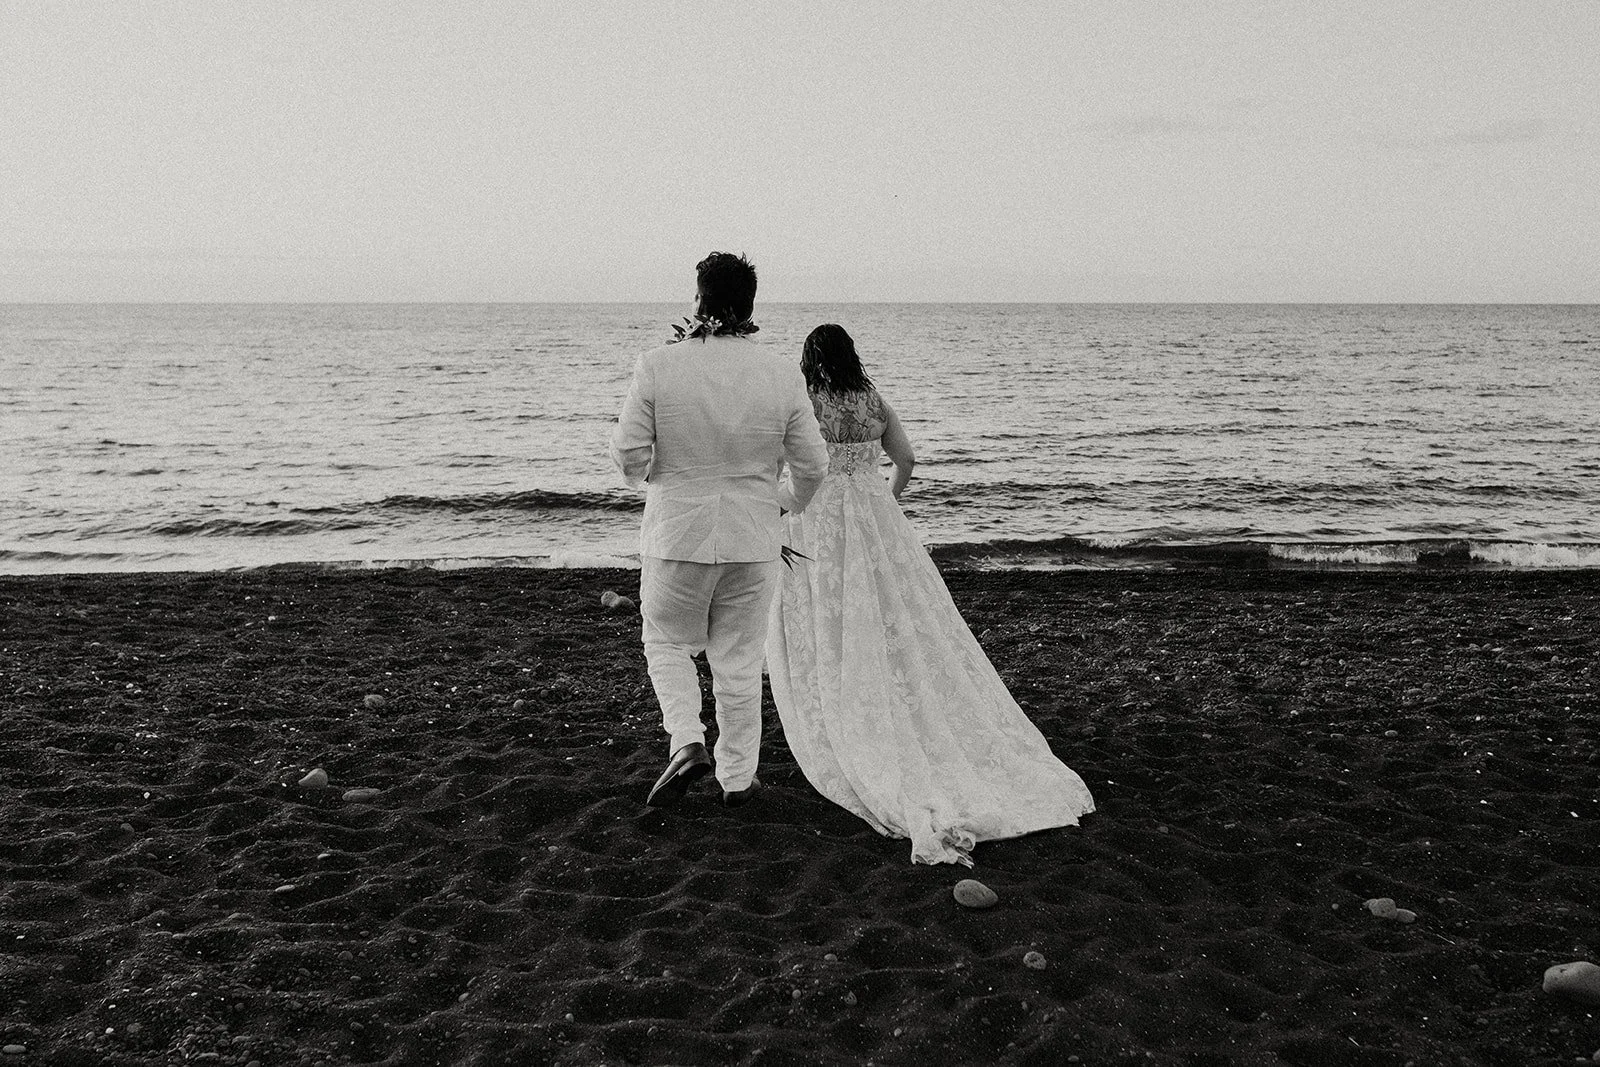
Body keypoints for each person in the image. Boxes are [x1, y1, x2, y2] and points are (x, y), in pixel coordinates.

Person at [766, 324, 1094, 865]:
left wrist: (775, 510)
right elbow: (908, 462)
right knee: (897, 615)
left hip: (817, 520)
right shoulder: (873, 401)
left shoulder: (804, 405)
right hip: (876, 519)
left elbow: (786, 469)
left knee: (829, 616)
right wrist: (883, 502)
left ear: (809, 361)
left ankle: (838, 700)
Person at [611, 253, 829, 808]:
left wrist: (659, 480)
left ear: (699, 300)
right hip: (752, 538)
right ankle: (736, 780)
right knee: (737, 660)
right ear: (749, 307)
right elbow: (813, 466)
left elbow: (628, 454)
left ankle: (686, 741)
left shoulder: (659, 364)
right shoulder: (781, 373)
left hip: (676, 535)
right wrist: (780, 505)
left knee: (665, 642)